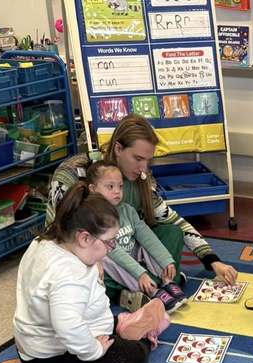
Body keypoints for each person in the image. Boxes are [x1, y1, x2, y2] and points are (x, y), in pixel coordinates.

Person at [47, 115, 238, 287]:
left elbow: (171, 219)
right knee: (95, 256)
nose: (143, 168)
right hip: (89, 253)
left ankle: (147, 284)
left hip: (129, 248)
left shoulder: (142, 180)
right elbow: (61, 237)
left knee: (172, 232)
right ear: (118, 148)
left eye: (148, 160)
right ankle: (144, 286)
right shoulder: (73, 172)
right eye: (138, 158)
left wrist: (213, 260)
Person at [14, 183, 156, 363]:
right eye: (109, 242)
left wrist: (95, 261)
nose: (110, 248)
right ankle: (140, 337)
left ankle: (120, 324)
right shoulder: (70, 275)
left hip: (30, 343)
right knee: (134, 359)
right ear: (84, 238)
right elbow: (68, 327)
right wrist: (94, 350)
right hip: (51, 359)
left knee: (97, 319)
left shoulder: (43, 242)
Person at [86, 161, 188, 313]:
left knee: (149, 245)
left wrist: (166, 261)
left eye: (120, 186)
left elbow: (148, 237)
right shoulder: (92, 216)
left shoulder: (127, 210)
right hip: (115, 268)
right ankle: (152, 291)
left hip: (136, 261)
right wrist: (140, 274)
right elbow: (114, 252)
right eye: (110, 186)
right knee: (106, 258)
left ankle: (166, 280)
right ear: (93, 189)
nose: (117, 191)